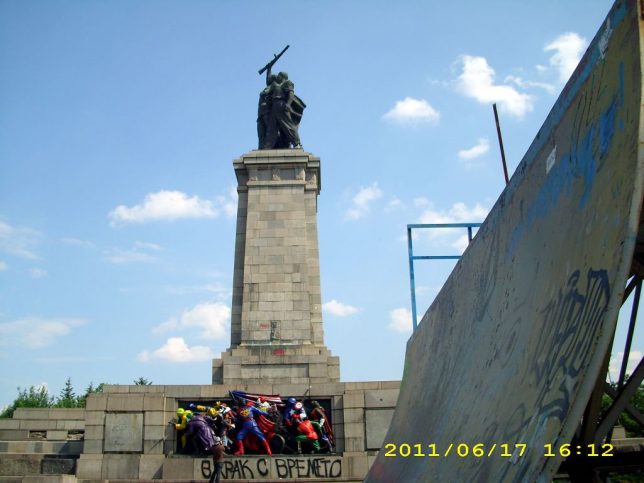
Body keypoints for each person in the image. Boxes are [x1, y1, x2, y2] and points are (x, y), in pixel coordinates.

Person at [263, 72, 305, 149]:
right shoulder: (275, 85)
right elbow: (268, 84)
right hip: (274, 106)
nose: (277, 77)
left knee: (288, 125)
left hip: (282, 105)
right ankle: (268, 145)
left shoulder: (287, 83)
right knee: (271, 127)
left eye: (279, 75)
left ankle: (297, 143)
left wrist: (288, 104)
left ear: (283, 77)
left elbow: (291, 94)